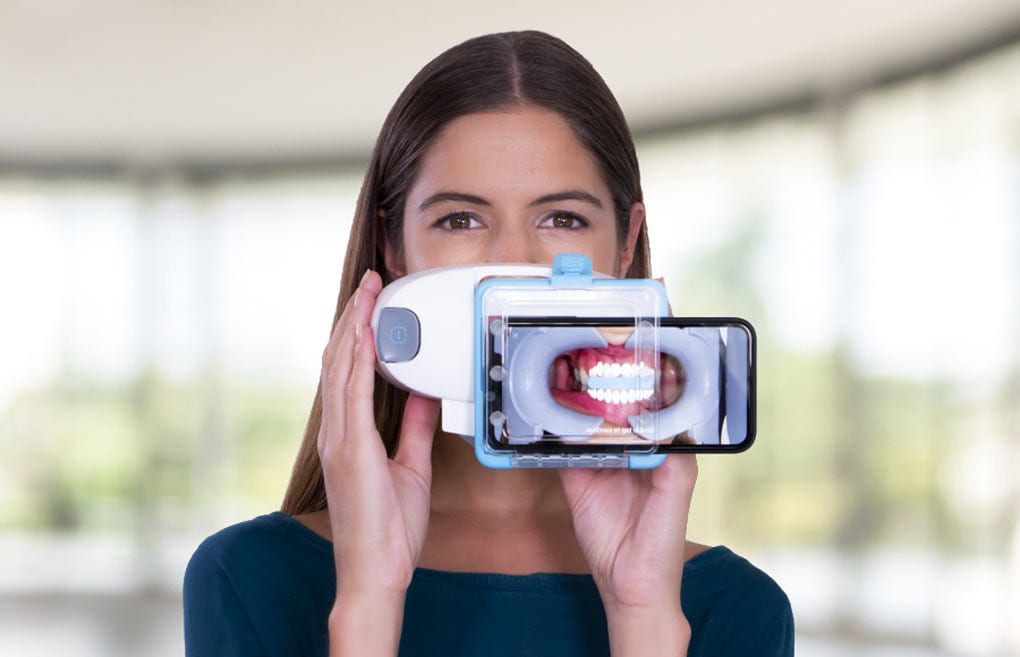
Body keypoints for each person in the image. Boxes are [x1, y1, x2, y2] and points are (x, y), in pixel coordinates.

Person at [184, 30, 793, 657]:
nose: (512, 264)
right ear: (393, 249)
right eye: (460, 220)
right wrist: (370, 597)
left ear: (626, 244)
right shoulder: (250, 578)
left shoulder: (734, 609)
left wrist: (643, 615)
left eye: (562, 219)